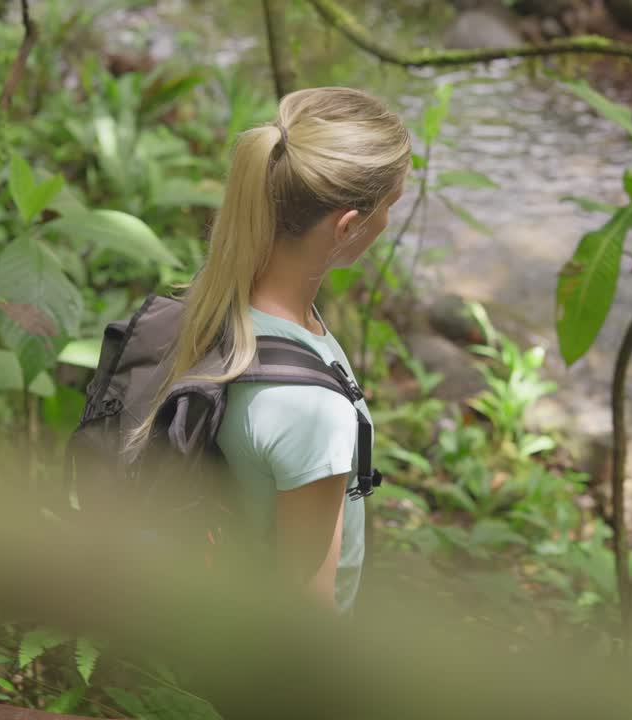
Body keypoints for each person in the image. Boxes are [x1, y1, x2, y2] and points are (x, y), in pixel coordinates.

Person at [131, 87, 411, 613]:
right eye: (389, 207)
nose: (389, 222)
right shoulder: (311, 413)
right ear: (348, 227)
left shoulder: (218, 301)